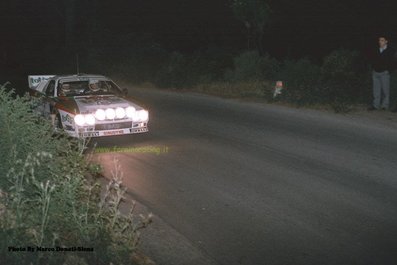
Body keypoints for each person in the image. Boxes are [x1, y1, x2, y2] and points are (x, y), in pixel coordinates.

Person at [368, 35, 396, 111]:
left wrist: (388, 71)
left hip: (384, 73)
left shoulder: (390, 51)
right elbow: (371, 59)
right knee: (376, 90)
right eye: (379, 40)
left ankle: (384, 106)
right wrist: (373, 68)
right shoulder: (376, 49)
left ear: (386, 41)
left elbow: (393, 63)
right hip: (375, 72)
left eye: (382, 40)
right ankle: (375, 105)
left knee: (385, 90)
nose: (380, 42)